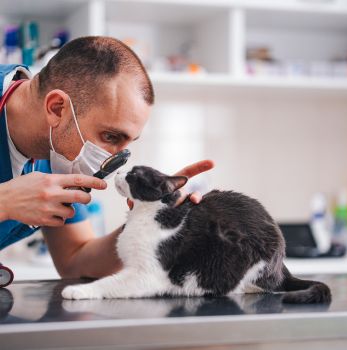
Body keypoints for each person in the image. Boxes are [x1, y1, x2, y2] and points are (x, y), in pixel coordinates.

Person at [0, 36, 214, 278]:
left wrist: (149, 223)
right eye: (111, 137)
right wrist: (5, 202)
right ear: (57, 108)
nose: (114, 161)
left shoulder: (56, 155)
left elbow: (75, 261)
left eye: (126, 144)